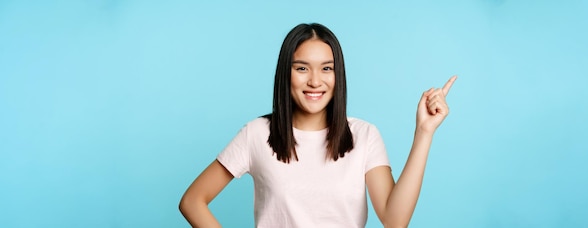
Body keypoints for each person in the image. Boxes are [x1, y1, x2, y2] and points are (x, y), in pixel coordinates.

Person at [179, 23, 457, 228]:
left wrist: (424, 132)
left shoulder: (364, 135)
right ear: (285, 74)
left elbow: (395, 221)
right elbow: (192, 201)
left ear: (339, 75)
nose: (315, 81)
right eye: (301, 68)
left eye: (326, 68)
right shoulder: (256, 134)